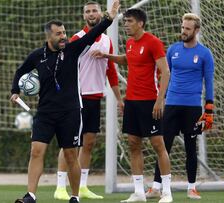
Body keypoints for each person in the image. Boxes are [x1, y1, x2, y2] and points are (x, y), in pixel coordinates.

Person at [10, 1, 120, 203]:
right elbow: (20, 71)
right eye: (58, 34)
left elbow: (92, 34)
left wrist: (109, 18)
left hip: (70, 112)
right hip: (44, 113)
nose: (63, 36)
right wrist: (15, 91)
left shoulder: (72, 49)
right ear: (48, 36)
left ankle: (75, 196)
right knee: (36, 151)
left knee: (71, 155)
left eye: (64, 32)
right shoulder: (37, 56)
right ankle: (31, 196)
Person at [92, 8, 173, 203]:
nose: (126, 24)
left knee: (158, 145)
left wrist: (160, 100)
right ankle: (138, 192)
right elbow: (127, 61)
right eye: (125, 21)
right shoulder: (129, 43)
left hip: (150, 102)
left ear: (140, 23)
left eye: (129, 21)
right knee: (134, 144)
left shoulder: (153, 42)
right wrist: (106, 56)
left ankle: (167, 192)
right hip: (132, 102)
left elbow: (166, 72)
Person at [53, 1, 123, 200]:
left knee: (89, 143)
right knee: (69, 143)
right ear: (84, 16)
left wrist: (119, 99)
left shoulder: (107, 41)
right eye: (88, 12)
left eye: (94, 10)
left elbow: (111, 71)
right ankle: (60, 187)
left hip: (95, 97)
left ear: (100, 13)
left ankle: (82, 186)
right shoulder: (78, 38)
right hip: (76, 99)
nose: (91, 14)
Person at [145, 13, 214, 200]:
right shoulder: (173, 50)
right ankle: (156, 186)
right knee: (162, 147)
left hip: (192, 108)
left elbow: (209, 81)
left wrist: (209, 108)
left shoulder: (205, 54)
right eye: (183, 28)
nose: (183, 31)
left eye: (188, 29)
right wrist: (161, 99)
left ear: (196, 30)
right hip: (171, 106)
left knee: (191, 148)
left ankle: (192, 187)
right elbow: (164, 76)